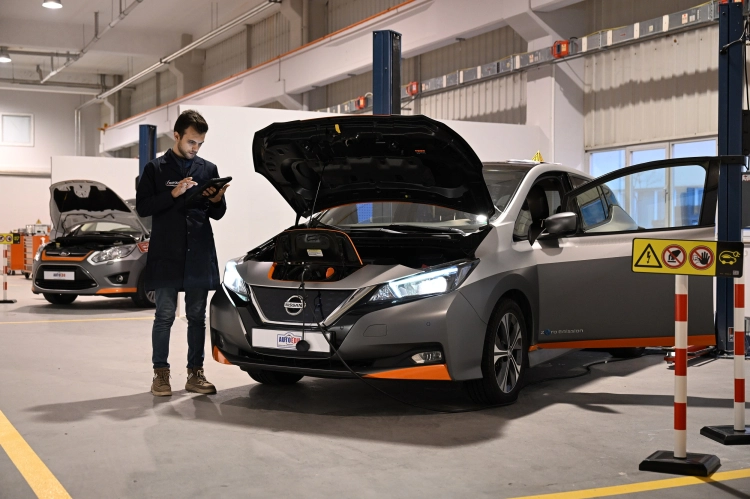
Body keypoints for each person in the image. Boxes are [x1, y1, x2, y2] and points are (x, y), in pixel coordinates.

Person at [136, 110, 229, 397]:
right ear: (176, 136)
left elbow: (218, 214)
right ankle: (160, 375)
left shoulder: (207, 169)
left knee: (197, 317)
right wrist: (172, 194)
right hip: (167, 253)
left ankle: (195, 374)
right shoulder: (155, 169)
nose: (195, 148)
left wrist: (217, 199)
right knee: (164, 315)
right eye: (191, 142)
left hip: (198, 252)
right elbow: (143, 207)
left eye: (200, 143)